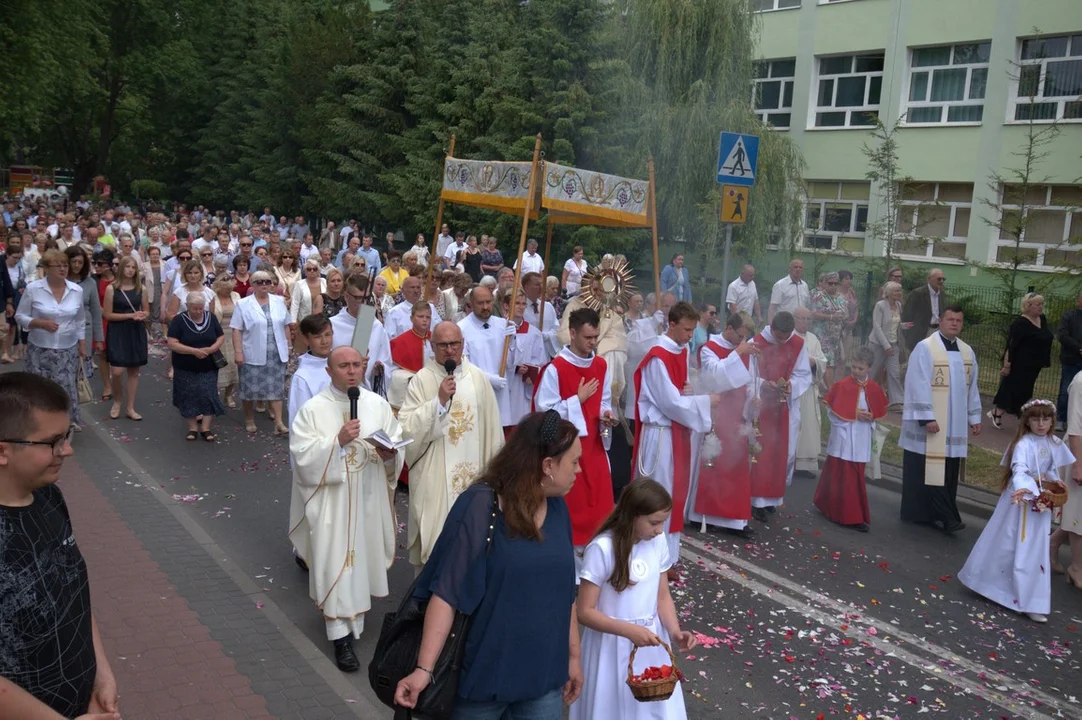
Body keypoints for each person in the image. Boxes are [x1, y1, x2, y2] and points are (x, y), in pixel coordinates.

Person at [393, 411, 583, 717]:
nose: (580, 470)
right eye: (574, 462)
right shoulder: (482, 505)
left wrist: (573, 657)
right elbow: (447, 593)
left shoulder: (558, 509)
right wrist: (423, 670)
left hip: (543, 679)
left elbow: (566, 595)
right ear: (548, 466)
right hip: (484, 679)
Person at [0, 374, 120, 720]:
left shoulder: (49, 497)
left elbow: (72, 592)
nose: (66, 450)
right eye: (52, 442)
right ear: (3, 450)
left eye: (66, 436)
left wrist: (101, 673)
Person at [289, 346, 403, 671]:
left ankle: (354, 624)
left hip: (367, 498)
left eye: (356, 365)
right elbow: (302, 457)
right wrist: (336, 442)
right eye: (344, 366)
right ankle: (339, 637)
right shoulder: (313, 410)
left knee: (360, 562)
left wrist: (390, 455)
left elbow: (395, 442)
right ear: (329, 371)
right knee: (333, 564)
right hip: (331, 504)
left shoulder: (376, 405)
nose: (352, 371)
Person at [572, 478, 696, 720]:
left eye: (662, 522)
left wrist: (674, 631)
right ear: (632, 515)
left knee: (652, 710)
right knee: (613, 709)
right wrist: (628, 630)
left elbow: (662, 597)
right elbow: (584, 611)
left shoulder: (657, 542)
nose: (660, 529)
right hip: (611, 644)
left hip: (650, 640)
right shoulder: (602, 549)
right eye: (654, 522)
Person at [397, 320, 503, 570]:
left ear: (463, 344)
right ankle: (428, 605)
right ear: (432, 346)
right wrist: (438, 403)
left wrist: (496, 476)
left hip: (474, 477)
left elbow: (493, 430)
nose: (449, 350)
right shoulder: (422, 380)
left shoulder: (478, 379)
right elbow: (406, 429)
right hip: (435, 478)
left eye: (454, 343)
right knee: (436, 545)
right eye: (443, 344)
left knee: (473, 543)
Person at [958, 399, 1073, 624]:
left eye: (1046, 419)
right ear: (1027, 422)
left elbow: (1049, 468)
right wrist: (1026, 488)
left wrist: (1057, 482)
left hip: (1040, 502)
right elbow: (1019, 469)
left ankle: (1030, 599)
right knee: (1013, 543)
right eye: (1036, 419)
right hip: (1021, 502)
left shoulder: (1054, 443)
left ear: (1051, 421)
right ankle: (999, 588)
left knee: (1035, 549)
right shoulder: (1022, 444)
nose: (1041, 424)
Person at [632, 302, 719, 568]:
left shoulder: (679, 351)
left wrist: (691, 390)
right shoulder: (658, 356)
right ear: (671, 325)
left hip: (675, 433)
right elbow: (669, 402)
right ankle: (648, 558)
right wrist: (704, 402)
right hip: (660, 437)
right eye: (686, 330)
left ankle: (667, 559)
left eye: (693, 330)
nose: (690, 336)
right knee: (658, 494)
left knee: (674, 495)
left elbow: (679, 392)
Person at [535, 308, 617, 565]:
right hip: (567, 451)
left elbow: (604, 401)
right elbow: (544, 412)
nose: (592, 343)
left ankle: (595, 568)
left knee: (599, 509)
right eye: (587, 337)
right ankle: (568, 569)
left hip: (594, 447)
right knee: (573, 509)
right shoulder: (556, 368)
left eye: (595, 337)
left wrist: (607, 414)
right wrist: (576, 401)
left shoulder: (601, 365)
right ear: (572, 333)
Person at [899, 306, 982, 534]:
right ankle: (935, 515)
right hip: (932, 423)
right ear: (940, 321)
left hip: (953, 425)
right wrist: (926, 417)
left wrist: (974, 416)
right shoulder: (925, 347)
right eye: (950, 319)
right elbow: (917, 382)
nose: (954, 323)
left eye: (958, 320)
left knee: (947, 469)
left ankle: (940, 513)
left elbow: (972, 387)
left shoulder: (967, 352)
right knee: (925, 467)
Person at [688, 312, 758, 537]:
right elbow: (714, 376)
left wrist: (753, 396)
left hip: (737, 414)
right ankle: (707, 515)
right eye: (739, 336)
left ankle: (736, 520)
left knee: (736, 466)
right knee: (714, 465)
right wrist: (737, 353)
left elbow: (751, 378)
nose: (742, 341)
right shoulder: (708, 348)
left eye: (745, 338)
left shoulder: (744, 348)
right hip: (716, 413)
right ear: (728, 327)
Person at [813, 346, 887, 532]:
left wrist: (870, 415)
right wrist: (852, 414)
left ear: (868, 367)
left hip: (861, 436)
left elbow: (877, 410)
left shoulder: (874, 388)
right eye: (853, 367)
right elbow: (832, 409)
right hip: (844, 436)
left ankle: (853, 514)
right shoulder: (842, 385)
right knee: (840, 475)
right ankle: (842, 514)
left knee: (855, 476)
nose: (855, 371)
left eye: (860, 368)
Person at [748, 311, 812, 522]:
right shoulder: (756, 343)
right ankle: (756, 501)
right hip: (761, 407)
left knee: (782, 454)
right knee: (761, 454)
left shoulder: (798, 343)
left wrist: (791, 385)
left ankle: (772, 499)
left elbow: (803, 374)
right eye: (779, 337)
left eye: (786, 337)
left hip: (785, 406)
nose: (782, 341)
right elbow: (746, 375)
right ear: (771, 327)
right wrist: (764, 383)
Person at [15, 249, 86, 431]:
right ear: (46, 268)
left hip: (67, 347)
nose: (63, 269)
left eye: (65, 265)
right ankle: (38, 423)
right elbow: (20, 316)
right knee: (40, 388)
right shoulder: (34, 289)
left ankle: (66, 422)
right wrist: (39, 322)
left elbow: (79, 320)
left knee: (65, 386)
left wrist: (82, 344)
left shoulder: (76, 290)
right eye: (58, 266)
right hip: (40, 348)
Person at [231, 270, 295, 435]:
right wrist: (238, 352)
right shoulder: (243, 304)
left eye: (267, 281)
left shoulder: (279, 301)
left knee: (276, 387)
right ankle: (249, 418)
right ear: (253, 284)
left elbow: (286, 325)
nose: (265, 285)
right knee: (249, 388)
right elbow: (236, 330)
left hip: (276, 354)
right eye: (260, 282)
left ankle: (279, 422)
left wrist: (288, 347)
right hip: (252, 353)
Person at [989, 293, 1054, 428]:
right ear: (1028, 306)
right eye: (1038, 304)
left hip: (1035, 363)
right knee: (1013, 388)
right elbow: (1011, 345)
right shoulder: (1020, 323)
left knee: (1026, 390)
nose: (1041, 307)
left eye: (1042, 304)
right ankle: (999, 412)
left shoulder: (1042, 318)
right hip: (1020, 362)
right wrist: (1007, 365)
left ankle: (1015, 414)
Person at [166, 292, 225, 441]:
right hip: (185, 365)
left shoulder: (210, 317)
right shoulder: (179, 320)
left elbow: (220, 336)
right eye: (194, 309)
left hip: (208, 364)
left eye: (200, 308)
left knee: (208, 393)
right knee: (188, 394)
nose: (198, 312)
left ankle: (206, 427)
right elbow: (172, 343)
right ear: (187, 307)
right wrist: (193, 351)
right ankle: (192, 427)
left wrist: (211, 349)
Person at [458, 285, 518, 428]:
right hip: (478, 391)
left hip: (502, 393)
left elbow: (511, 363)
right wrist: (489, 379)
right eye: (480, 303)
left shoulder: (503, 324)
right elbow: (463, 364)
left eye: (488, 302)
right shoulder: (461, 328)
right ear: (470, 304)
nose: (485, 307)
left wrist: (513, 342)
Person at [102, 256, 149, 421]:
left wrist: (143, 315)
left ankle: (130, 407)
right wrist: (130, 315)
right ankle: (117, 400)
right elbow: (107, 314)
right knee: (117, 371)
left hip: (135, 331)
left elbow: (146, 310)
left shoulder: (141, 288)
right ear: (121, 268)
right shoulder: (111, 289)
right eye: (127, 266)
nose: (130, 270)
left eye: (133, 267)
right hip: (118, 331)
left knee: (134, 371)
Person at [329, 273, 392, 394]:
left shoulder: (375, 325)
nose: (363, 303)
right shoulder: (333, 325)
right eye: (358, 298)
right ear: (346, 296)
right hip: (339, 391)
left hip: (367, 391)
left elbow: (386, 361)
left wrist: (379, 368)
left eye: (367, 298)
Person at [1050, 371, 1082, 585]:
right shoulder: (1080, 381)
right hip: (1078, 451)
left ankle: (1051, 545)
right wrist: (1079, 464)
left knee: (1076, 514)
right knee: (1078, 513)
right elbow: (1075, 427)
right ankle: (1077, 567)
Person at [502, 290, 546, 426]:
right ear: (506, 306)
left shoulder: (534, 333)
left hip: (523, 387)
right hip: (504, 384)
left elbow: (541, 361)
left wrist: (531, 371)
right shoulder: (498, 329)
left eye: (523, 304)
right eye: (517, 303)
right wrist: (512, 368)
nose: (521, 307)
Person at [793, 307, 827, 476]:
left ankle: (805, 465)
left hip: (809, 389)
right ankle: (791, 463)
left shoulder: (813, 338)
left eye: (808, 320)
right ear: (794, 319)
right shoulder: (789, 337)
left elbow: (823, 360)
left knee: (809, 426)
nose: (805, 322)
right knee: (795, 426)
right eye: (802, 319)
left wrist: (815, 362)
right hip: (794, 391)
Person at [387, 303, 433, 413]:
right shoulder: (399, 342)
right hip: (409, 393)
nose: (425, 320)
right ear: (411, 319)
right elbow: (392, 372)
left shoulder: (435, 339)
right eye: (420, 317)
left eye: (428, 317)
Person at [65, 246, 103, 379]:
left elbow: (96, 311)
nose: (76, 265)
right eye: (73, 261)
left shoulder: (90, 282)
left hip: (85, 331)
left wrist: (98, 339)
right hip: (63, 331)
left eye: (80, 262)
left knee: (81, 376)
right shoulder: (60, 281)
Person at [869, 281, 908, 408]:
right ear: (889, 292)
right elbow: (877, 327)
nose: (899, 293)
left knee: (894, 372)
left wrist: (903, 326)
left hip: (894, 344)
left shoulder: (898, 305)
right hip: (878, 344)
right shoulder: (880, 305)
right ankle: (861, 396)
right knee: (872, 372)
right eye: (897, 291)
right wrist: (887, 346)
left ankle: (897, 402)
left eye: (900, 290)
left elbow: (893, 324)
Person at [809, 271, 847, 388]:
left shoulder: (841, 298)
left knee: (834, 362)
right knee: (827, 362)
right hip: (822, 335)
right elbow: (813, 314)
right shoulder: (819, 297)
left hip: (835, 336)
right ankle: (830, 389)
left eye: (836, 284)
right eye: (830, 283)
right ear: (824, 284)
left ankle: (825, 387)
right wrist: (831, 317)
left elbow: (845, 314)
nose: (833, 286)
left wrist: (843, 318)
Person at [211, 275, 241, 408]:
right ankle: (214, 395)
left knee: (233, 367)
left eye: (230, 290)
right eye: (225, 290)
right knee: (217, 366)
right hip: (218, 335)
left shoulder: (236, 296)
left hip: (234, 334)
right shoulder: (213, 298)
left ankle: (228, 395)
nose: (228, 292)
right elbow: (211, 317)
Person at [901, 268, 947, 351]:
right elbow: (907, 314)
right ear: (929, 279)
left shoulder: (941, 294)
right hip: (922, 331)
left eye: (943, 279)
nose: (941, 281)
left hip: (937, 330)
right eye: (939, 279)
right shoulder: (918, 293)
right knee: (919, 354)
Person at [384, 275, 441, 339]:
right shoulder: (393, 313)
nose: (416, 291)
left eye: (418, 287)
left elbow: (439, 330)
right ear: (403, 290)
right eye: (412, 287)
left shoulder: (430, 308)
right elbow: (389, 338)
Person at [1056, 291, 1082, 430]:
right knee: (1066, 389)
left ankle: (1077, 421)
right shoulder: (1069, 316)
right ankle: (1061, 418)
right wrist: (1079, 348)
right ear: (1078, 301)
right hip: (1071, 359)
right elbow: (1062, 335)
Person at [290, 259, 326, 330]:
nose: (312, 271)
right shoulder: (299, 284)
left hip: (322, 321)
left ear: (318, 271)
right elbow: (295, 303)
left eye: (315, 269)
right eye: (309, 269)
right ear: (305, 271)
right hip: (304, 321)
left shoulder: (324, 281)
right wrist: (293, 321)